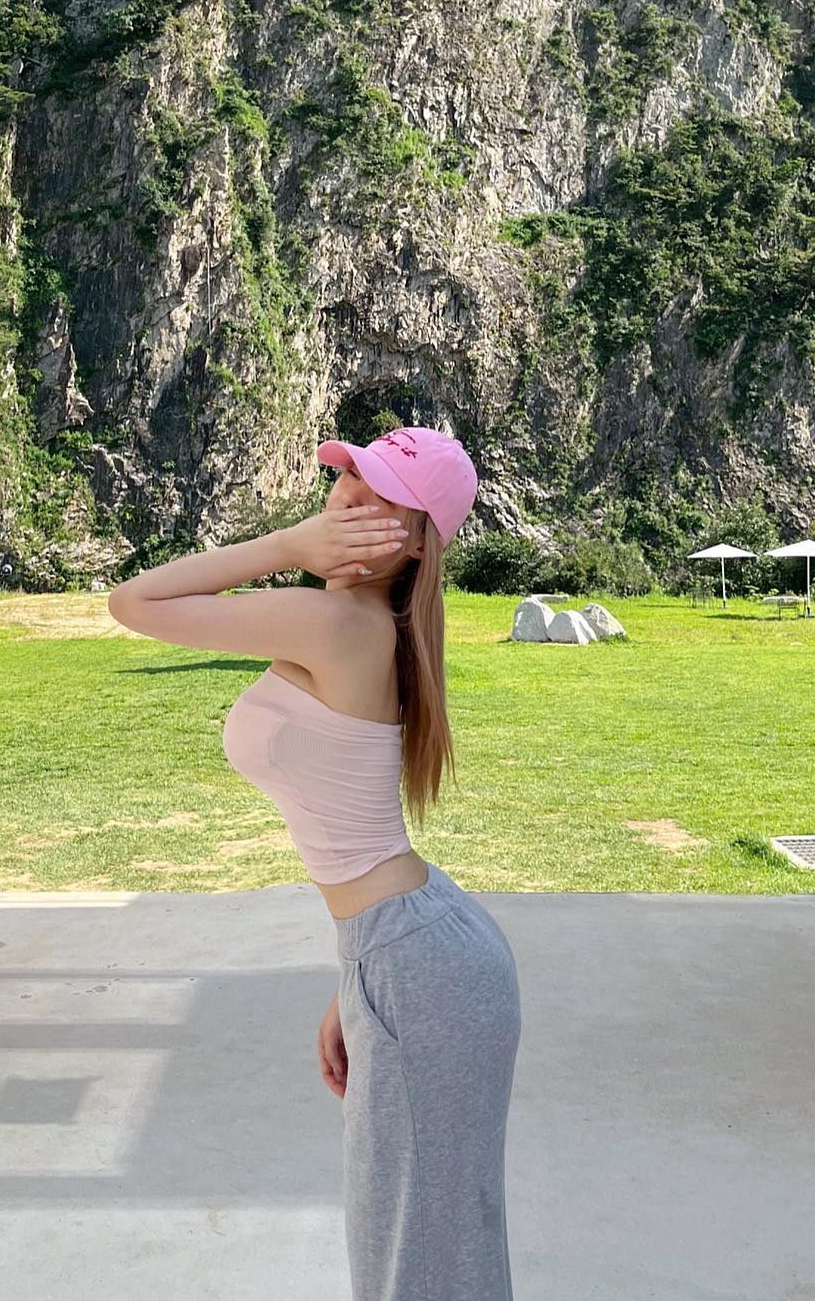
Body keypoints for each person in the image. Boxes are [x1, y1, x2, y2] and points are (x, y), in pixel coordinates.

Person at [108, 424, 522, 1299]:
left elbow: (134, 601)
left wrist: (287, 545)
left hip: (416, 962)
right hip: (403, 953)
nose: (348, 499)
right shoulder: (360, 624)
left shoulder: (334, 620)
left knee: (418, 1256)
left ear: (418, 544)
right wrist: (355, 981)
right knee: (424, 1245)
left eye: (381, 497)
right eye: (348, 480)